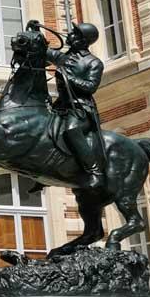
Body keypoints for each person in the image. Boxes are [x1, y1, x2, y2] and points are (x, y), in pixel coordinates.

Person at [43, 21, 106, 192]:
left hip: (80, 109)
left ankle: (95, 172)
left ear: (83, 40)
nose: (70, 35)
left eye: (75, 34)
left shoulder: (94, 63)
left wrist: (68, 77)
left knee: (71, 130)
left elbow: (90, 87)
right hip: (60, 107)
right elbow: (44, 53)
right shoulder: (65, 56)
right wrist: (35, 33)